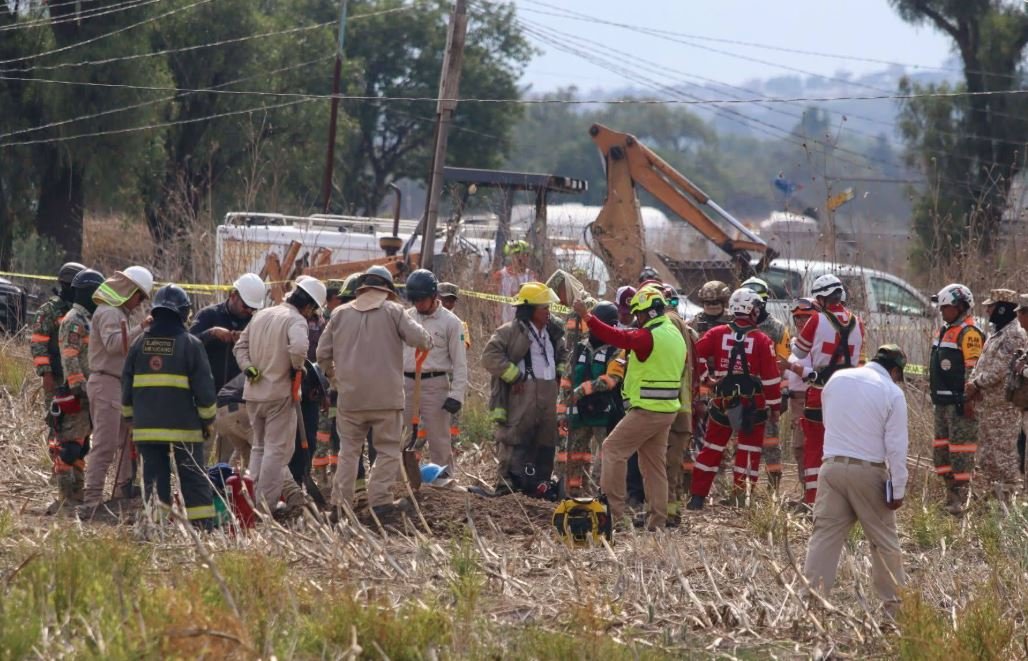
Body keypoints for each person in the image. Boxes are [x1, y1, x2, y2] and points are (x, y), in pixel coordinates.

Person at [318, 265, 432, 516]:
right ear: (387, 289)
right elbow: (422, 340)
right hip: (386, 398)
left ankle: (340, 505)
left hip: (350, 398)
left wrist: (335, 378)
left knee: (348, 451)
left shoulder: (339, 313)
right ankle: (380, 501)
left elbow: (321, 353)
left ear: (362, 287)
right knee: (388, 450)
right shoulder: (394, 311)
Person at [803, 345, 909, 615]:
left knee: (824, 537)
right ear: (894, 370)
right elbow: (896, 447)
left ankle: (812, 604)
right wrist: (897, 488)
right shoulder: (892, 392)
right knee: (884, 542)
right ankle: (893, 609)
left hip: (831, 468)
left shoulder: (838, 379)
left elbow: (829, 421)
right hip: (869, 471)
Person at [573, 285, 684, 529]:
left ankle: (615, 515)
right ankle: (657, 520)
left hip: (647, 409)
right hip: (667, 409)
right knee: (654, 465)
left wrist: (586, 316)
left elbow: (618, 338)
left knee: (612, 449)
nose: (637, 318)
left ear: (650, 312)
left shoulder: (648, 336)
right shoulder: (673, 332)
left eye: (639, 314)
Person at [121, 285, 217, 527]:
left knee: (153, 478)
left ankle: (156, 527)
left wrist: (131, 419)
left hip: (146, 428)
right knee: (193, 476)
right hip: (184, 427)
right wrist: (206, 421)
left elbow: (126, 386)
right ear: (183, 313)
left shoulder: (138, 345)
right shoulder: (191, 344)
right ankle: (203, 527)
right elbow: (205, 391)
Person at [234, 276, 326, 514]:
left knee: (259, 448)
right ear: (308, 306)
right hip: (278, 394)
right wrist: (298, 368)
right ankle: (266, 506)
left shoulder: (262, 314)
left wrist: (248, 367)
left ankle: (250, 502)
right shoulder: (296, 320)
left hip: (254, 394)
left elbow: (239, 347)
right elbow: (298, 349)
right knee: (276, 451)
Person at [688, 288, 782, 510]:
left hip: (722, 401)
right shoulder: (762, 340)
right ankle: (742, 498)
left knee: (710, 448)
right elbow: (770, 379)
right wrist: (775, 407)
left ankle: (697, 498)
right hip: (752, 405)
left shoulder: (717, 333)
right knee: (748, 451)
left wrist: (705, 377)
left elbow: (694, 352)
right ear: (752, 310)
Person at [79, 266, 153, 517]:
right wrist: (141, 328)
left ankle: (122, 490)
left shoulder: (117, 313)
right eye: (139, 296)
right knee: (106, 443)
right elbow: (114, 346)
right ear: (128, 291)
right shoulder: (110, 313)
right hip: (106, 383)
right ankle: (92, 498)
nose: (139, 302)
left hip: (116, 384)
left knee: (124, 441)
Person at [482, 281, 568, 496]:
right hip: (523, 393)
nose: (549, 312)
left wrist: (559, 374)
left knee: (546, 440)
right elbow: (489, 357)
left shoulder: (553, 333)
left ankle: (539, 485)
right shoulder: (510, 332)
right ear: (529, 309)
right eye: (544, 308)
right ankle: (507, 485)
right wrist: (514, 376)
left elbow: (564, 356)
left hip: (549, 393)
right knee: (516, 438)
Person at [790, 274, 865, 505]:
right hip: (849, 393)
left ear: (822, 298)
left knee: (814, 445)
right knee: (842, 446)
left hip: (820, 391)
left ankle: (813, 500)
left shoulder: (817, 320)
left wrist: (795, 341)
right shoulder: (858, 322)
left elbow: (801, 353)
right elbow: (861, 359)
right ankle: (841, 499)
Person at [190, 273, 266, 462]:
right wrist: (212, 333)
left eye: (253, 309)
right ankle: (199, 487)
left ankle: (221, 486)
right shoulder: (209, 315)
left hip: (233, 401)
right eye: (246, 306)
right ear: (233, 295)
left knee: (227, 454)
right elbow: (189, 345)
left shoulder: (253, 322)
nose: (249, 311)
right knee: (202, 449)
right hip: (206, 393)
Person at [48, 268, 104, 514]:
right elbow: (69, 357)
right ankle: (64, 499)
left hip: (87, 393)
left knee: (81, 448)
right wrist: (79, 387)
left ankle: (77, 494)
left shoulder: (87, 320)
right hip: (77, 394)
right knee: (68, 448)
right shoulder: (74, 320)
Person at [557, 301, 626, 496]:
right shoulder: (579, 348)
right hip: (578, 415)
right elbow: (566, 382)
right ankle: (572, 494)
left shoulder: (617, 350)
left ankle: (605, 496)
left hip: (605, 415)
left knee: (607, 459)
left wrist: (582, 390)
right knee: (574, 457)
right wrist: (561, 414)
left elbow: (612, 380)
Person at [402, 269, 468, 470]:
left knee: (439, 439)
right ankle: (399, 482)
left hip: (435, 384)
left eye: (422, 300)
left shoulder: (451, 323)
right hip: (406, 384)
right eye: (414, 301)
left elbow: (460, 362)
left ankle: (445, 479)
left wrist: (457, 395)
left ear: (433, 296)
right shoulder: (405, 318)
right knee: (400, 436)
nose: (418, 305)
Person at [965, 288, 1028, 497]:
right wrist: (973, 382)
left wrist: (977, 384)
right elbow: (983, 363)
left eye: (991, 307)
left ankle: (1008, 501)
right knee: (987, 456)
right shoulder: (997, 333)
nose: (988, 311)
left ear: (1002, 308)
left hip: (1004, 408)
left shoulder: (1014, 335)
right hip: (989, 406)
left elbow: (999, 369)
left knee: (1005, 456)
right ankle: (993, 497)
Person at [928, 284, 984, 515]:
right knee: (941, 452)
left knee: (960, 453)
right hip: (941, 403)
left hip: (960, 404)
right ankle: (949, 496)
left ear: (961, 306)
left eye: (947, 307)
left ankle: (960, 501)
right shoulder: (944, 330)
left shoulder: (970, 333)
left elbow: (974, 372)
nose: (943, 312)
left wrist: (969, 401)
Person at [741, 276, 791, 491]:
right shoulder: (735, 326)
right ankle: (741, 488)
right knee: (741, 442)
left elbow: (783, 364)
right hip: (740, 393)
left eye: (757, 304)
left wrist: (783, 394)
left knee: (770, 442)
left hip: (767, 394)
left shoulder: (777, 329)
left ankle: (773, 487)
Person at [661, 284, 698, 517]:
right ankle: (670, 510)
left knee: (667, 464)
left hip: (670, 408)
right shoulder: (687, 329)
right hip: (681, 408)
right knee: (672, 464)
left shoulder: (668, 324)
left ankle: (669, 512)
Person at [30, 262, 85, 408]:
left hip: (79, 375)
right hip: (56, 376)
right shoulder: (49, 310)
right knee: (58, 420)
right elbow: (38, 345)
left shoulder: (82, 310)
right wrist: (46, 375)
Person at [785, 299, 817, 480]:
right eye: (797, 318)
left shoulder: (818, 345)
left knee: (806, 447)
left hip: (810, 402)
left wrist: (791, 368)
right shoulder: (795, 343)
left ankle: (810, 495)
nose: (800, 322)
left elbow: (819, 375)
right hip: (795, 401)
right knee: (798, 448)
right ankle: (806, 490)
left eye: (805, 318)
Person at [493, 240, 536, 324]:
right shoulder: (501, 276)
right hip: (506, 323)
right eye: (518, 255)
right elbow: (495, 303)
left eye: (526, 255)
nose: (523, 258)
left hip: (526, 323)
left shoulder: (531, 276)